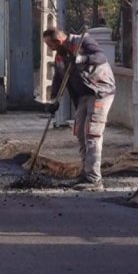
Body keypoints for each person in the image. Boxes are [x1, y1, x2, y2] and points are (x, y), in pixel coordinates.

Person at [42, 27, 116, 191]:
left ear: (58, 41)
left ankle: (94, 180)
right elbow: (58, 78)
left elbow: (100, 57)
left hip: (99, 91)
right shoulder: (60, 56)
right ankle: (85, 173)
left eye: (50, 45)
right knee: (81, 133)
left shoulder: (82, 41)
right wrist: (54, 100)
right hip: (82, 96)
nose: (50, 49)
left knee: (92, 133)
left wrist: (82, 59)